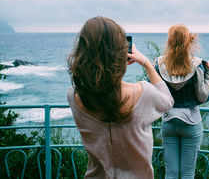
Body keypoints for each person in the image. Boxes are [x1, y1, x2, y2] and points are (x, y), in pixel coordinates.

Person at [67, 16, 174, 178]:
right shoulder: (143, 93)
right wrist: (146, 63)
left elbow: (102, 89)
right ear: (120, 53)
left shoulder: (74, 96)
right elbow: (167, 101)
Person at [156, 24, 209, 179]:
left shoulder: (159, 65)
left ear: (169, 42)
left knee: (171, 173)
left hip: (168, 121)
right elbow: (202, 97)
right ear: (189, 42)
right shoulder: (196, 66)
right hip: (191, 123)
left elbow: (154, 93)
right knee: (188, 173)